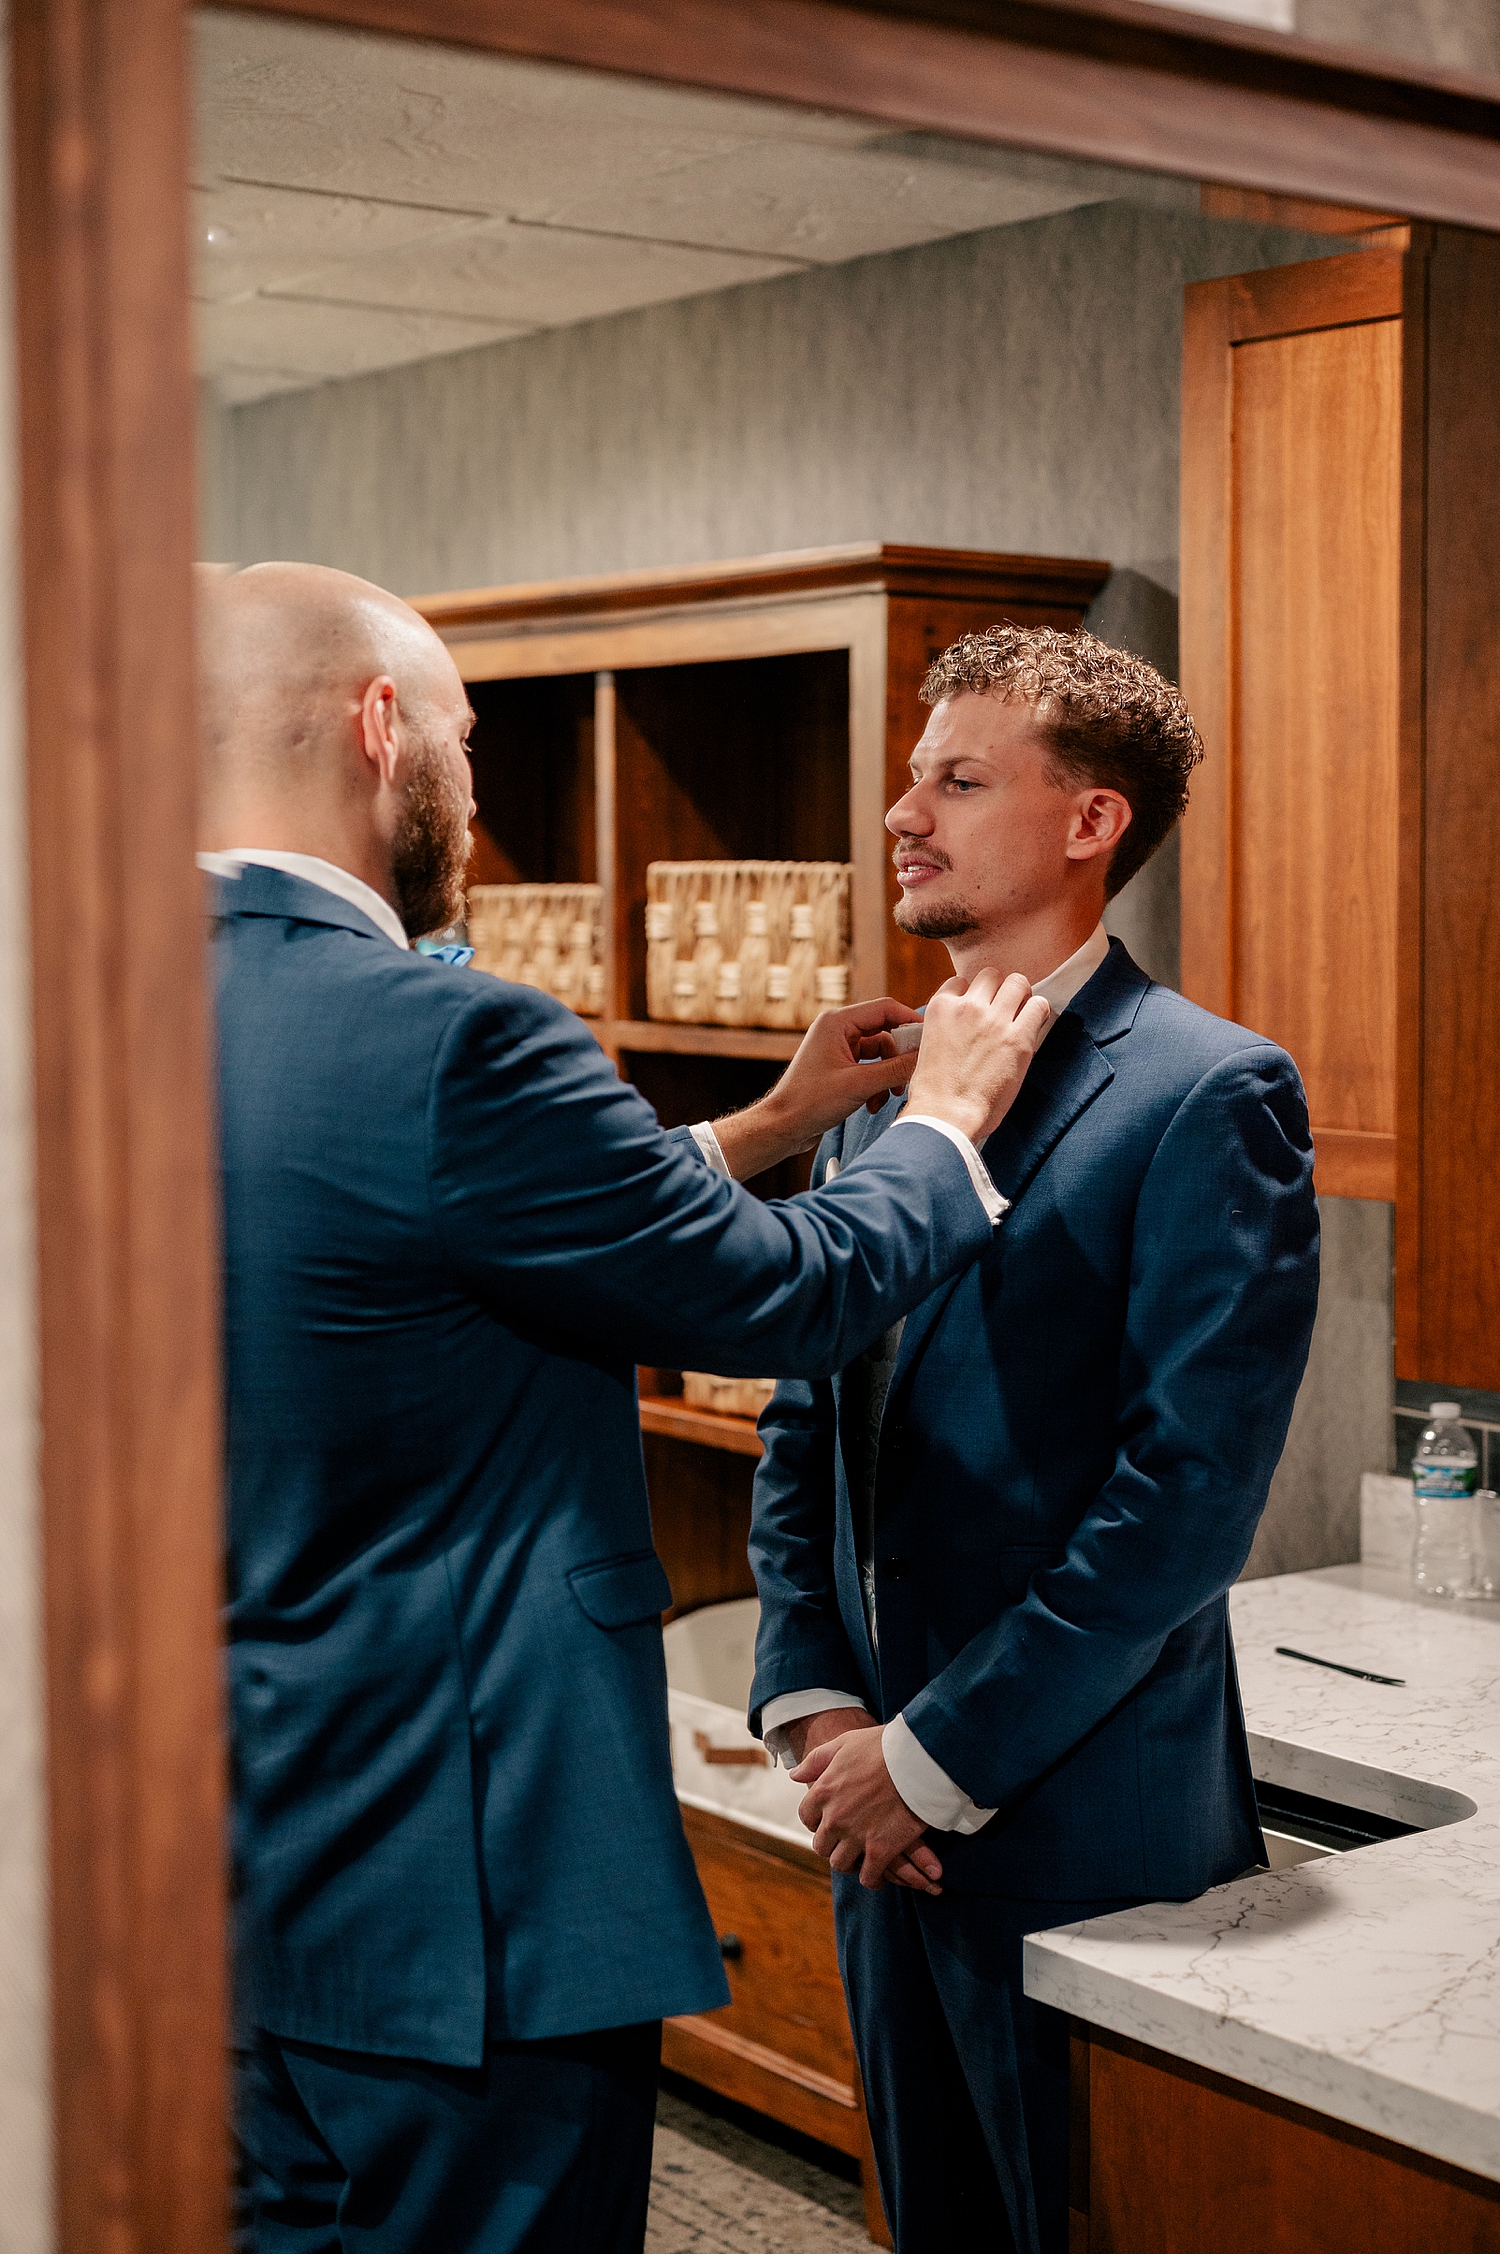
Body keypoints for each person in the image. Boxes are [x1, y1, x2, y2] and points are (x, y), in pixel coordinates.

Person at [201, 562, 1053, 2254]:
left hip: (215, 1875)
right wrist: (946, 1128)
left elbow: (390, 1229)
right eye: (458, 733)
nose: (468, 774)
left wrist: (759, 1125)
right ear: (382, 730)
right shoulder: (459, 1039)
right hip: (463, 1893)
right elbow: (783, 1298)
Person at [748, 624, 1320, 2254]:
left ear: (1091, 824)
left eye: (957, 776)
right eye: (910, 776)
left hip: (1078, 1821)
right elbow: (811, 1412)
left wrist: (930, 1761)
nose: (901, 813)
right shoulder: (877, 1080)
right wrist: (820, 1711)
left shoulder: (1212, 1092)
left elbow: (1184, 1502)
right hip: (867, 1820)